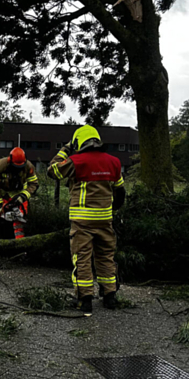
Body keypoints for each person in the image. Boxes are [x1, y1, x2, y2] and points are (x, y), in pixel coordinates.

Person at [48, 125, 125, 316]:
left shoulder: (76, 161)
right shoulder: (113, 162)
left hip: (82, 221)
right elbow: (121, 192)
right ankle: (110, 296)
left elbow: (52, 171)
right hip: (105, 220)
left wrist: (65, 149)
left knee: (81, 259)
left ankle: (85, 300)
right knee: (106, 257)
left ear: (78, 143)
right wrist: (111, 209)